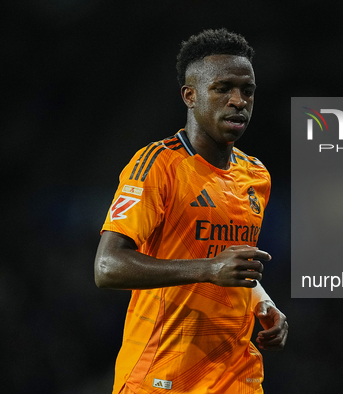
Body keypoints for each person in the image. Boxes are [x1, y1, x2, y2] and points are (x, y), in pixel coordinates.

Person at [94, 28, 288, 394]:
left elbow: (228, 265)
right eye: (223, 89)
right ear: (190, 95)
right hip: (162, 376)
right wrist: (210, 269)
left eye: (247, 91)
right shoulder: (157, 165)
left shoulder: (256, 175)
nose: (239, 101)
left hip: (236, 376)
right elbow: (107, 267)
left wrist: (264, 302)